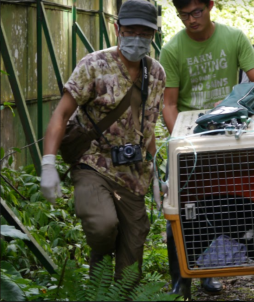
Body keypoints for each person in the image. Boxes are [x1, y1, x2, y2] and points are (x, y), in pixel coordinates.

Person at [40, 0, 165, 283]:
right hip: (92, 163)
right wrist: (47, 163)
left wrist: (157, 172)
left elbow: (148, 127)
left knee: (132, 261)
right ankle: (101, 256)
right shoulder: (94, 65)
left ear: (153, 36)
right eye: (131, 31)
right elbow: (61, 113)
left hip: (133, 174)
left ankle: (112, 291)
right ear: (117, 28)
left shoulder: (156, 73)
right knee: (102, 226)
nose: (137, 39)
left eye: (145, 34)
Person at [159, 0, 254, 299]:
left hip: (227, 134)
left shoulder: (233, 37)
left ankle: (208, 271)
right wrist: (180, 142)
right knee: (179, 210)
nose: (191, 20)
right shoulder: (172, 49)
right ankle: (179, 277)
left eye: (196, 12)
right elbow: (169, 104)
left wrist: (232, 103)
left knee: (220, 204)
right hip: (190, 138)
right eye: (183, 15)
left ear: (210, 6)